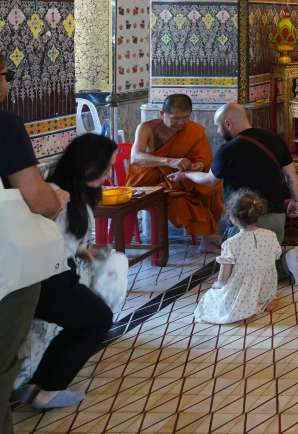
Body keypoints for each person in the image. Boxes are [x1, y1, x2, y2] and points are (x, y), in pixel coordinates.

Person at [17, 135, 118, 410]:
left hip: (60, 270)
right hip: (46, 276)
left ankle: (38, 386)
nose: (109, 174)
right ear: (86, 163)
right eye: (106, 167)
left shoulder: (80, 191)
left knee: (84, 322)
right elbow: (37, 234)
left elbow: (63, 237)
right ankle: (49, 392)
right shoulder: (52, 192)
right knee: (99, 320)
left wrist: (84, 252)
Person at [0, 55, 70, 434]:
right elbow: (35, 197)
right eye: (6, 74)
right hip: (6, 264)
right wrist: (55, 199)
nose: (7, 83)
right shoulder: (5, 123)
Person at [167, 103, 298, 282]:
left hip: (247, 222)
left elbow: (210, 180)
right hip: (277, 219)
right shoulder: (274, 138)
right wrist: (295, 200)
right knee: (266, 256)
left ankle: (286, 265)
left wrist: (185, 174)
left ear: (228, 124)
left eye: (218, 126)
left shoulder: (227, 150)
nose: (218, 131)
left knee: (242, 264)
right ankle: (286, 261)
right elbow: (290, 173)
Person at [128, 94, 224, 252]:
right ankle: (210, 237)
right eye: (175, 118)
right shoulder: (147, 128)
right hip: (149, 182)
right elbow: (135, 157)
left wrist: (198, 165)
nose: (181, 123)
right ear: (162, 113)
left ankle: (206, 240)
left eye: (186, 118)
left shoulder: (194, 130)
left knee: (212, 186)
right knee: (178, 198)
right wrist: (169, 161)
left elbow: (205, 159)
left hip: (179, 177)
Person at [194, 191, 283, 325]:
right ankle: (265, 300)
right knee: (261, 283)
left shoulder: (231, 243)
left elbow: (224, 277)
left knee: (209, 298)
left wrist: (218, 285)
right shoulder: (271, 235)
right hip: (265, 287)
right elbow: (275, 256)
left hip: (241, 290)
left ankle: (247, 305)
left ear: (233, 218)